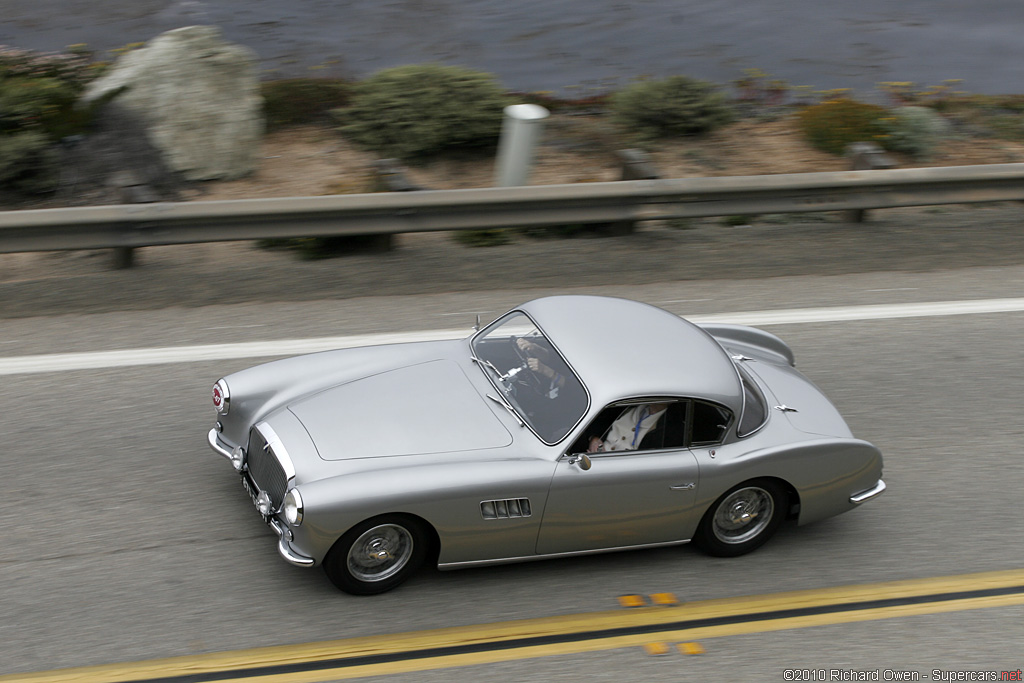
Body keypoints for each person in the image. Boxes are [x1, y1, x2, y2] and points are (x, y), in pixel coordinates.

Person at [587, 403, 668, 453]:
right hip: (592, 457)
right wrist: (594, 438)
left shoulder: (668, 426)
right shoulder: (625, 405)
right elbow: (592, 424)